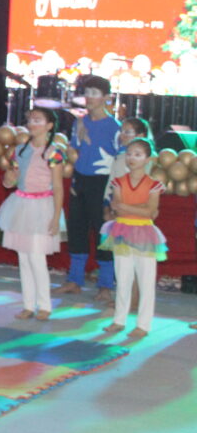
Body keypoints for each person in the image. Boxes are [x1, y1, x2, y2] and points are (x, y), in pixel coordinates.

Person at [0, 107, 65, 321]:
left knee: (36, 258)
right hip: (21, 203)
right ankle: (28, 304)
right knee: (24, 258)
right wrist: (9, 177)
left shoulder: (54, 152)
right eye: (30, 119)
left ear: (49, 126)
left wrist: (55, 218)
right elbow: (12, 179)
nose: (32, 123)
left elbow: (58, 186)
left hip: (42, 206)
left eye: (38, 120)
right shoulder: (21, 150)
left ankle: (44, 305)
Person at [59, 75, 120, 303]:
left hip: (103, 184)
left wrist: (113, 194)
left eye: (95, 93)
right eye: (87, 93)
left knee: (104, 233)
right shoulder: (80, 122)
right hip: (81, 181)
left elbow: (120, 160)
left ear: (106, 98)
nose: (90, 98)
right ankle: (75, 280)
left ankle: (105, 284)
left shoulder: (114, 127)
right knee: (77, 228)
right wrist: (74, 175)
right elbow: (75, 152)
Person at [100, 137, 166, 338]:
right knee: (123, 278)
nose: (132, 158)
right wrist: (139, 209)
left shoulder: (154, 184)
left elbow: (150, 212)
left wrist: (129, 209)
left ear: (148, 159)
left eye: (138, 154)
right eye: (129, 154)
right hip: (122, 232)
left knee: (146, 280)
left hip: (145, 234)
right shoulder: (118, 181)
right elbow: (116, 207)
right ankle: (119, 320)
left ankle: (143, 324)